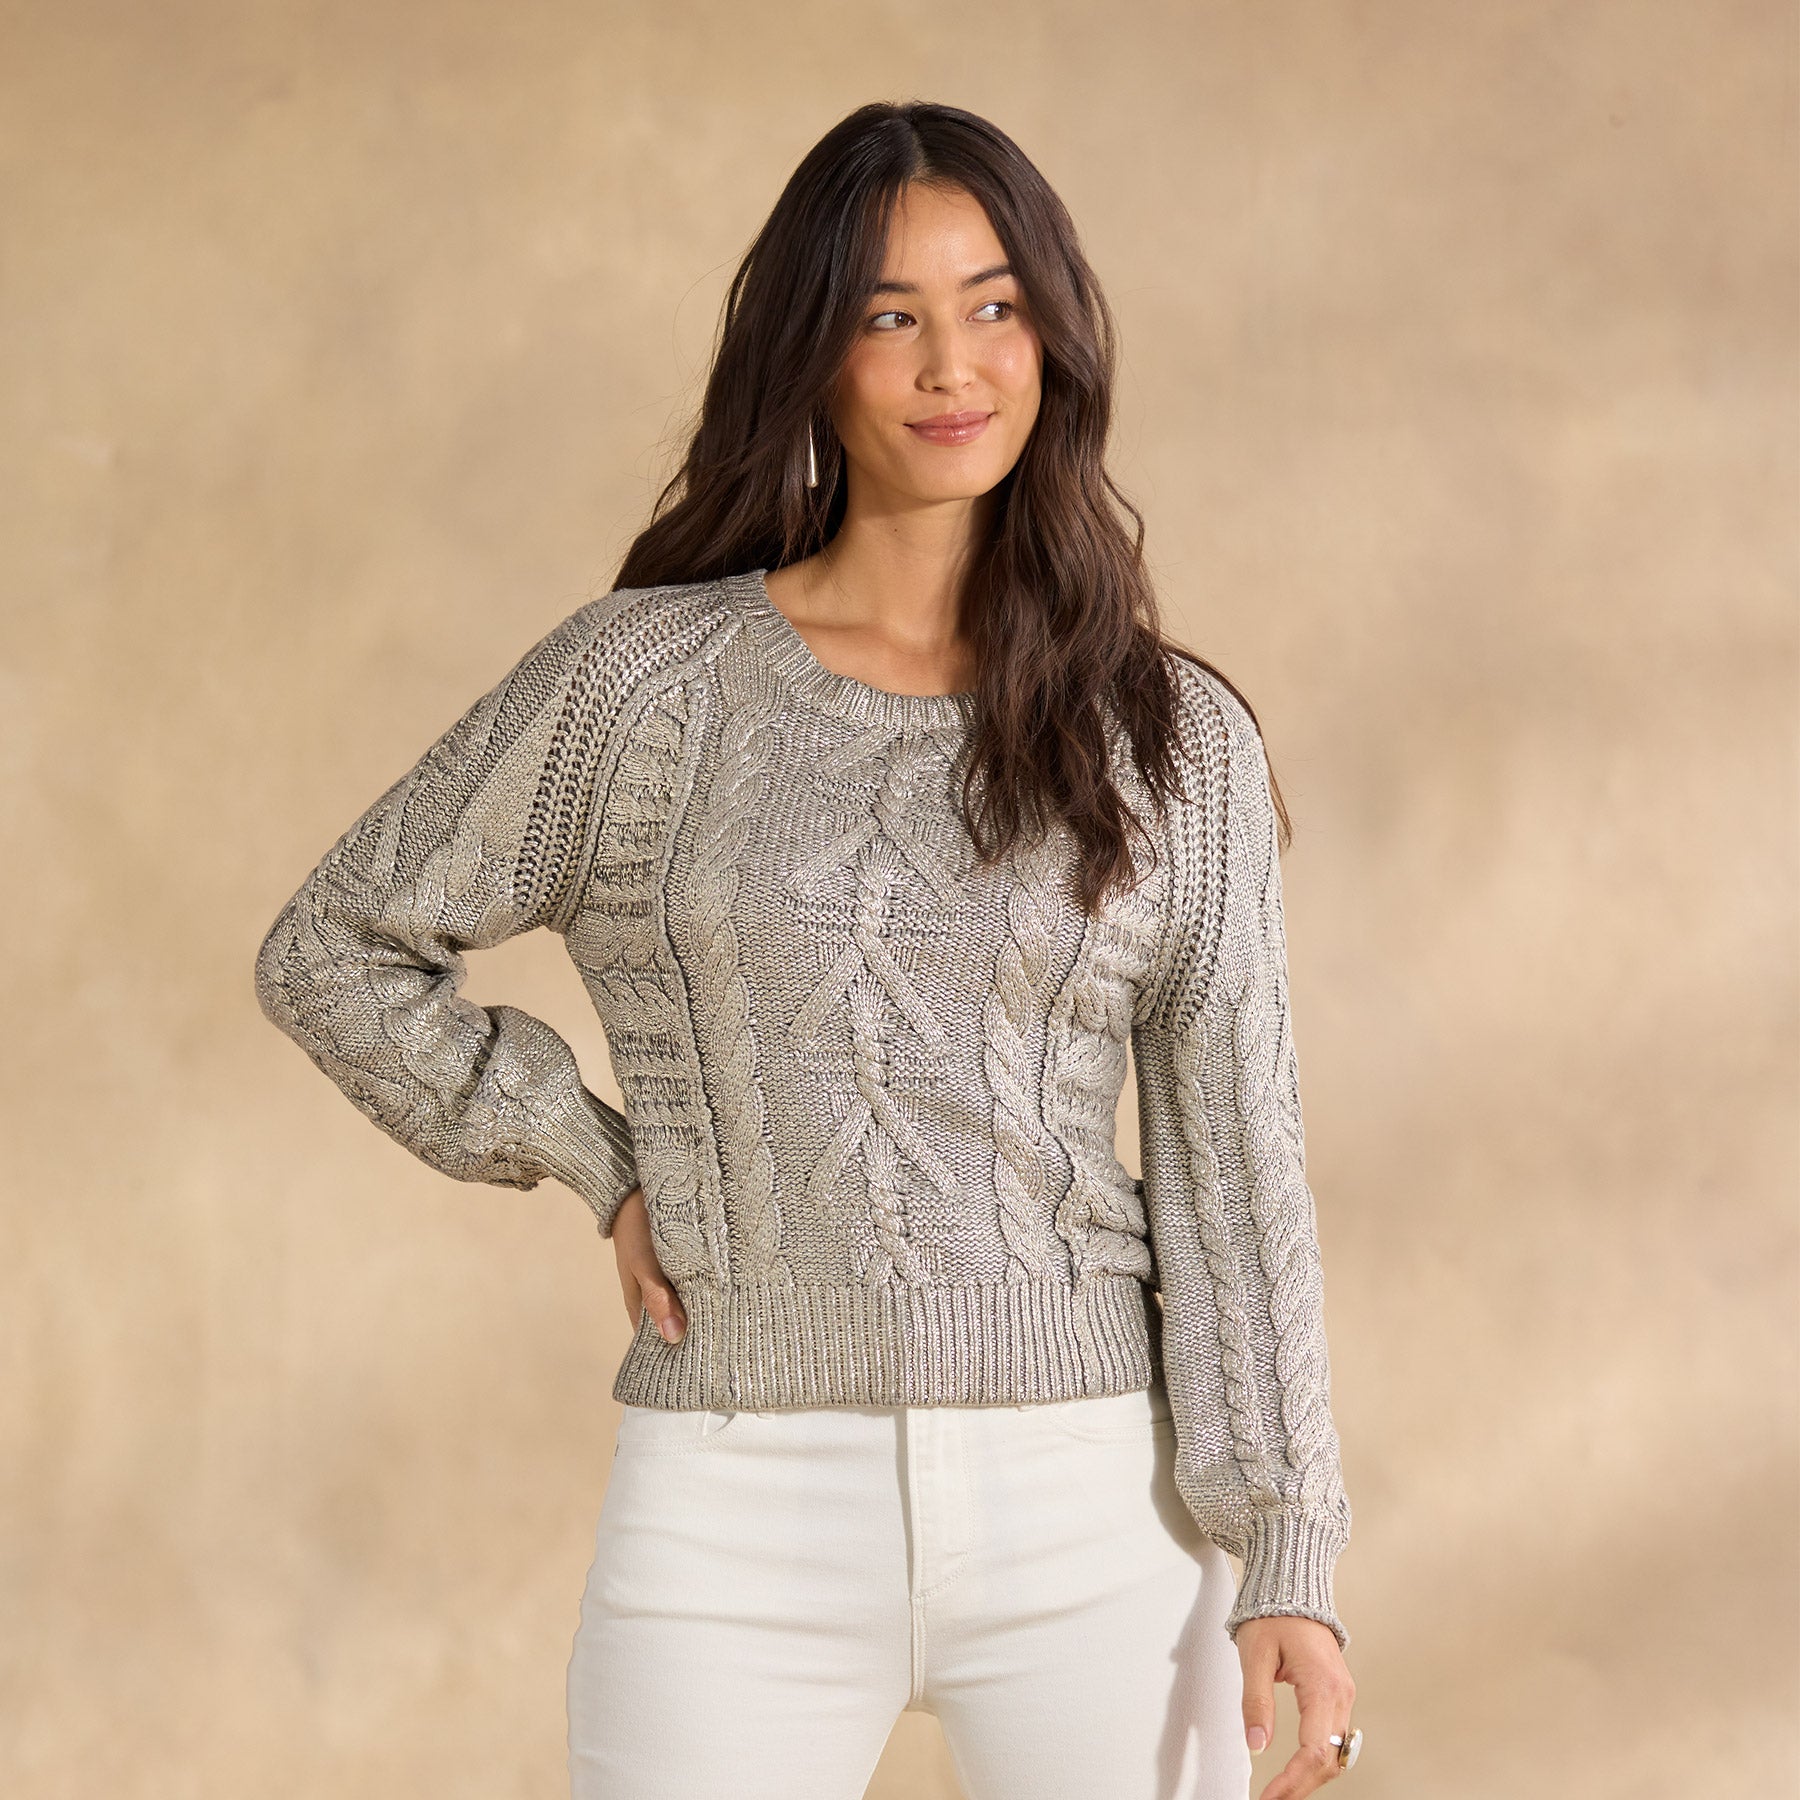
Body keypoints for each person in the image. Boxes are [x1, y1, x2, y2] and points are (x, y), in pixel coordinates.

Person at [253, 100, 1362, 1800]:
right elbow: (335, 945)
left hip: (1100, 1507)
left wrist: (1287, 1550)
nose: (953, 365)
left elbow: (1235, 1161)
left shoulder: (1166, 735)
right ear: (812, 354)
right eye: (888, 314)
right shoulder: (641, 687)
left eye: (995, 306)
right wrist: (596, 1160)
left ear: (1054, 340)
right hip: (733, 1495)